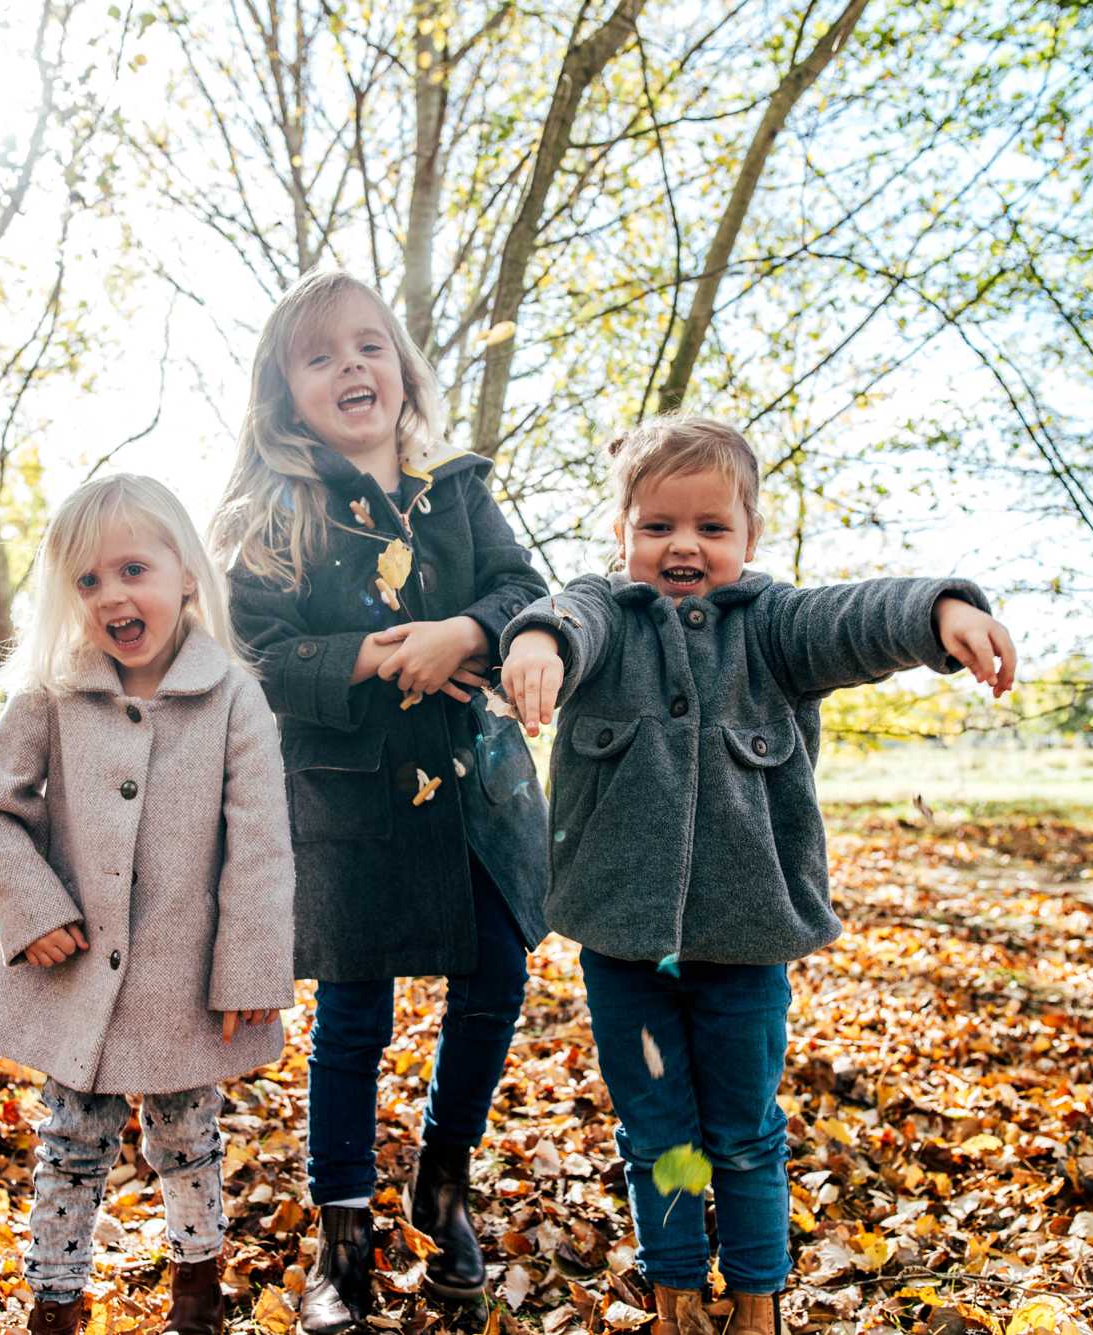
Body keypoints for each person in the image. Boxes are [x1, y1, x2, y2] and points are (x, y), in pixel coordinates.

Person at [498, 417, 1018, 1335]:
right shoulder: (606, 619)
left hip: (746, 951)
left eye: (711, 526)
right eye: (657, 525)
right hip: (626, 950)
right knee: (661, 1134)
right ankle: (676, 1295)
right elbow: (564, 618)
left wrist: (942, 611)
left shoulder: (773, 629)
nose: (684, 544)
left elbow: (856, 617)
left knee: (741, 1133)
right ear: (623, 535)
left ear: (749, 537)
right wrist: (537, 640)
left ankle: (756, 1300)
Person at [210, 270, 551, 1331]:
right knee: (351, 1019)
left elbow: (522, 587)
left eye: (369, 347)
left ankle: (441, 1179)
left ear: (401, 370)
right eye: (319, 357)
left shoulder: (454, 489)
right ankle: (342, 1235)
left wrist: (468, 634)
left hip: (473, 793)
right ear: (284, 395)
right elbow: (256, 658)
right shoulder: (273, 515)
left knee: (494, 977)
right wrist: (363, 655)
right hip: (349, 802)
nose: (351, 367)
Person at [0, 474, 295, 1335]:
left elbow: (259, 848)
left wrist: (251, 967)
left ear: (186, 574)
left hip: (182, 985)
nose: (113, 595)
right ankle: (56, 1302)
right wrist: (32, 908)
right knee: (70, 1145)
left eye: (133, 569)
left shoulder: (234, 697)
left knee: (188, 1140)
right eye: (87, 580)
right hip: (76, 977)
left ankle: (197, 1289)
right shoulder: (51, 691)